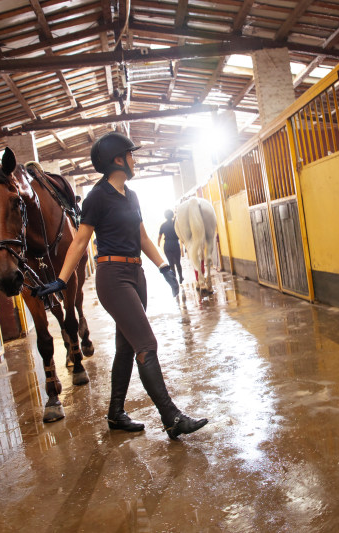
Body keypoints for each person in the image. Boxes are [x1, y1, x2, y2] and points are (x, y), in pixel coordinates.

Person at [33, 131, 208, 440]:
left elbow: (142, 237)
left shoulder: (132, 195)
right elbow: (81, 240)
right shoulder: (97, 197)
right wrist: (61, 279)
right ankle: (171, 418)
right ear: (117, 160)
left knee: (126, 347)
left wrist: (165, 267)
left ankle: (115, 414)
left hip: (136, 275)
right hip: (112, 276)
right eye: (130, 155)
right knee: (146, 344)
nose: (134, 159)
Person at [157, 209, 183, 285]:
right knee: (178, 262)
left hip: (167, 245)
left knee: (171, 264)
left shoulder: (163, 225)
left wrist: (158, 244)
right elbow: (180, 233)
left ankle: (175, 280)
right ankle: (181, 277)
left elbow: (160, 236)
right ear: (172, 215)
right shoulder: (176, 224)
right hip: (175, 244)